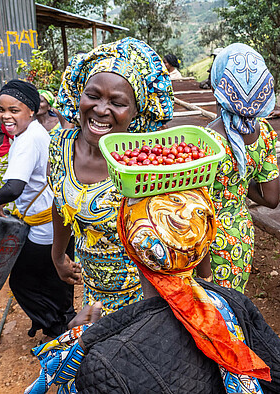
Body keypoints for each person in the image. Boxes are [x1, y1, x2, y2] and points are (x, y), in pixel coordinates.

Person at [26, 189, 280, 393]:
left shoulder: (105, 363)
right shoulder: (229, 303)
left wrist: (91, 344)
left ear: (130, 245)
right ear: (201, 247)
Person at [49, 38, 174, 316]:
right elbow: (60, 203)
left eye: (117, 103)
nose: (101, 109)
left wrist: (148, 315)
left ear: (135, 112)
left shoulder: (145, 163)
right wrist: (58, 256)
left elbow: (163, 245)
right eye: (93, 96)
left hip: (143, 296)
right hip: (93, 291)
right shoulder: (61, 145)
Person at [0, 79, 74, 339]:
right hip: (56, 222)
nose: (6, 116)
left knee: (23, 282)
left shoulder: (26, 141)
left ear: (31, 110)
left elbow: (14, 187)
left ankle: (56, 326)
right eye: (2, 110)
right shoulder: (35, 133)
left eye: (14, 110)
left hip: (44, 228)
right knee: (56, 276)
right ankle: (64, 319)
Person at [205, 43, 280, 292]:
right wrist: (241, 179)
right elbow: (271, 198)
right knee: (232, 309)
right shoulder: (265, 133)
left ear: (220, 84)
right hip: (240, 240)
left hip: (204, 246)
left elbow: (195, 208)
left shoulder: (207, 141)